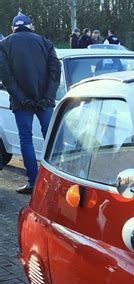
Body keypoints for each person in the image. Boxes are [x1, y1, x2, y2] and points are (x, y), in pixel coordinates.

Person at [0, 14, 61, 194]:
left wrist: (21, 98)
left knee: (26, 140)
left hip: (22, 103)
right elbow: (55, 73)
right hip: (44, 102)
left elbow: (6, 77)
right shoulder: (45, 43)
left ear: (13, 28)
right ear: (30, 26)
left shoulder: (4, 45)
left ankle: (34, 182)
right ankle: (56, 182)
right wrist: (47, 97)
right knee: (51, 140)